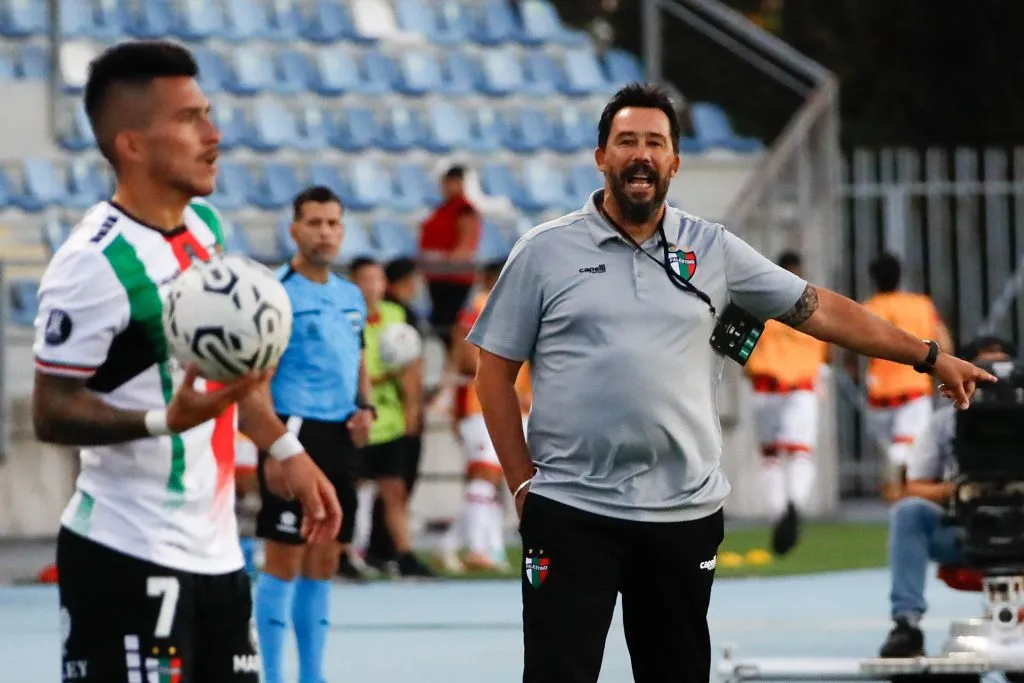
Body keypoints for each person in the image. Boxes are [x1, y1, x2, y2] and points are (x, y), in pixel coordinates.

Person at [466, 82, 996, 683]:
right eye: (626, 141)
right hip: (572, 509)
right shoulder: (544, 252)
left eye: (654, 143)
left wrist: (928, 356)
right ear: (601, 157)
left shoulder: (713, 248)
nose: (640, 154)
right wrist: (520, 486)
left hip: (683, 514)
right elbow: (493, 375)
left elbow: (818, 309)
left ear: (674, 161)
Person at [34, 41, 341, 683]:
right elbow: (52, 412)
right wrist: (161, 422)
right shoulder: (93, 262)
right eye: (188, 119)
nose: (214, 134)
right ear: (132, 145)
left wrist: (286, 452)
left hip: (221, 555)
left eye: (208, 113)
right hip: (124, 551)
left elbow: (230, 380)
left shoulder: (205, 227)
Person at [253, 186, 376, 683]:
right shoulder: (276, 293)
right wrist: (273, 447)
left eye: (333, 223)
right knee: (285, 554)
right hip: (294, 432)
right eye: (315, 223)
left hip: (339, 433)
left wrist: (364, 405)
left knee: (325, 555)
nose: (324, 232)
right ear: (294, 229)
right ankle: (273, 675)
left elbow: (359, 356)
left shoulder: (350, 294)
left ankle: (311, 674)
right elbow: (258, 376)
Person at [878, 335, 1017, 658]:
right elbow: (912, 487)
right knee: (909, 512)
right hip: (967, 529)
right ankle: (906, 625)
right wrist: (960, 490)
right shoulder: (944, 424)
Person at [440, 259, 533, 573]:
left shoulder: (516, 308)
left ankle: (476, 546)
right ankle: (478, 547)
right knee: (485, 475)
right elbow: (467, 357)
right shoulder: (483, 305)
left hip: (511, 404)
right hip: (481, 403)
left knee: (495, 480)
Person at [347, 257, 434, 578]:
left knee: (394, 490)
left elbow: (411, 365)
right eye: (365, 279)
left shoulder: (397, 315)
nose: (372, 286)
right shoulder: (347, 318)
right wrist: (379, 380)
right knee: (351, 489)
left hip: (390, 420)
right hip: (356, 418)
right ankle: (345, 554)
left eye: (377, 279)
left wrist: (412, 410)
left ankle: (404, 554)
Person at [743, 250, 829, 556]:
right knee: (800, 453)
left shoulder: (756, 304)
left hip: (765, 387)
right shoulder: (813, 305)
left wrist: (750, 369)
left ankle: (780, 512)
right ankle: (795, 503)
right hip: (801, 388)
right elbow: (827, 349)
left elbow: (737, 344)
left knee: (771, 457)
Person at [860, 253, 955, 499]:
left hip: (879, 393)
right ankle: (906, 485)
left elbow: (851, 348)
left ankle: (897, 488)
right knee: (908, 447)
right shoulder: (921, 305)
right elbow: (943, 342)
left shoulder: (869, 308)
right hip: (913, 388)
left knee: (894, 449)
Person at [419, 165, 480, 349]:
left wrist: (447, 263)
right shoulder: (444, 208)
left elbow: (465, 245)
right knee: (440, 324)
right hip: (437, 277)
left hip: (453, 279)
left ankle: (459, 364)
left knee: (449, 325)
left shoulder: (464, 210)